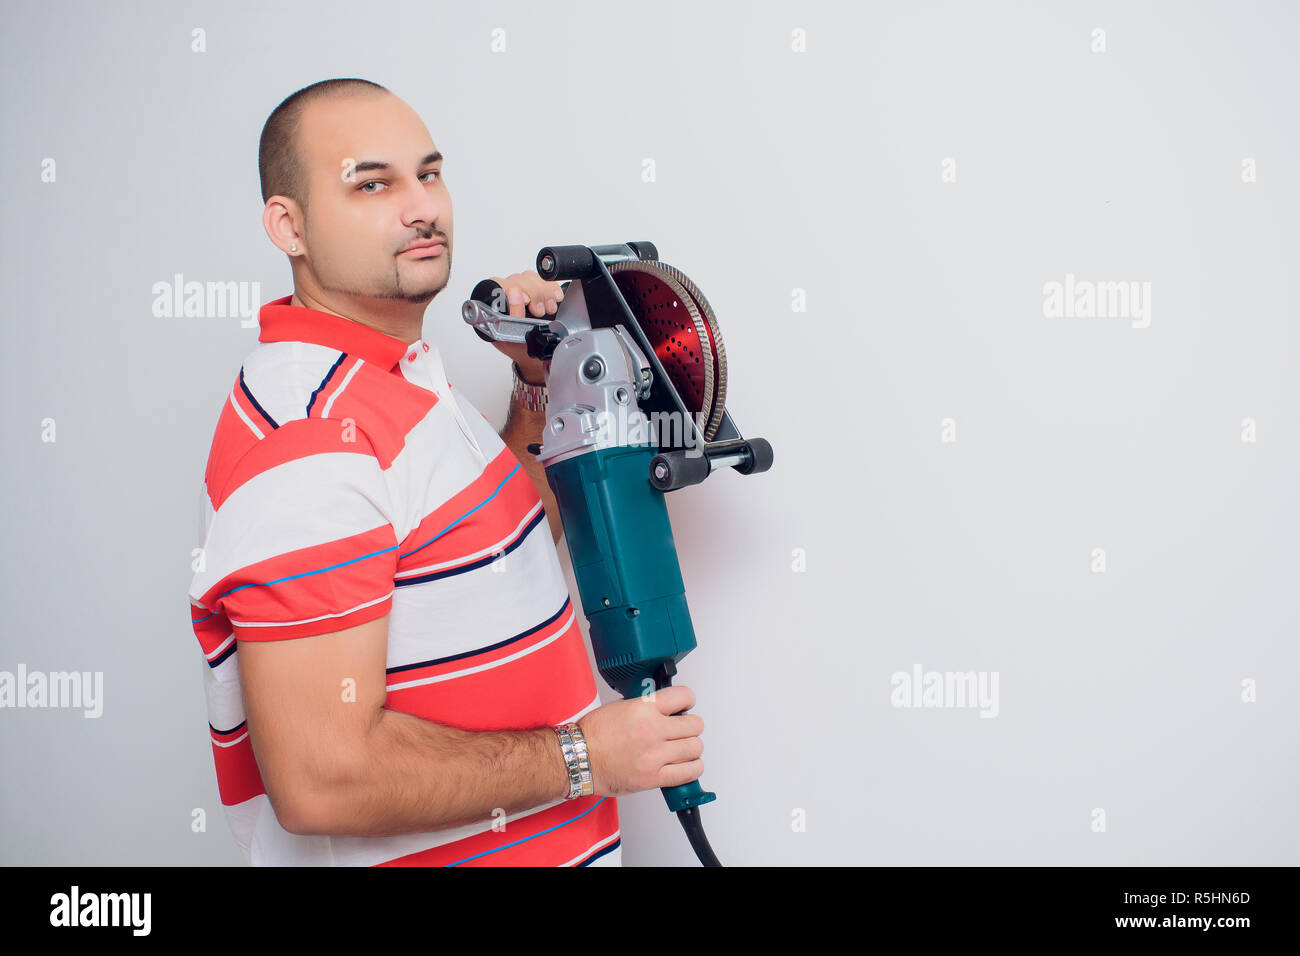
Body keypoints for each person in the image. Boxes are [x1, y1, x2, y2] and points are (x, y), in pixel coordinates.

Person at [186, 78, 705, 866]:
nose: (421, 206)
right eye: (372, 184)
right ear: (288, 226)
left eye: (428, 174)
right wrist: (586, 758)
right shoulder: (309, 436)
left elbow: (498, 551)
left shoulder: (400, 373)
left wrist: (542, 382)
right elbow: (324, 782)